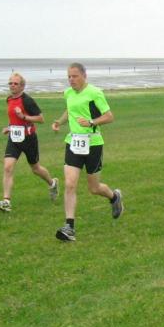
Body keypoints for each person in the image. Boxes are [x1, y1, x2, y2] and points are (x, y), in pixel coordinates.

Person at [51, 62, 123, 242]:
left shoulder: (94, 93)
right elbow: (70, 110)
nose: (71, 79)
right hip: (73, 142)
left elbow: (109, 116)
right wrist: (59, 122)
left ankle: (114, 197)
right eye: (69, 76)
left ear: (84, 75)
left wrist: (91, 122)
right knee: (70, 184)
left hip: (93, 144)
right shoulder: (68, 93)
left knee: (94, 188)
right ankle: (69, 227)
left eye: (74, 76)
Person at [0, 73, 58, 212]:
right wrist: (9, 127)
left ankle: (52, 183)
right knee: (8, 167)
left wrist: (24, 117)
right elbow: (13, 119)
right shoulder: (9, 99)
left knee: (35, 168)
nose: (12, 86)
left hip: (29, 139)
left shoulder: (27, 101)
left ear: (22, 86)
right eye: (10, 83)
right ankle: (6, 201)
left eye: (15, 83)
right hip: (14, 138)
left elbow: (41, 119)